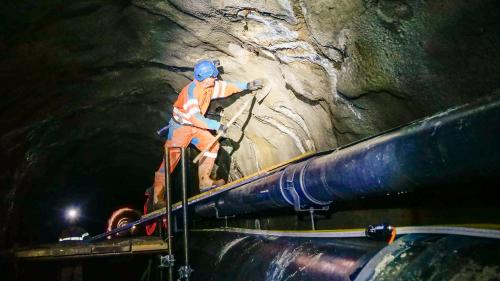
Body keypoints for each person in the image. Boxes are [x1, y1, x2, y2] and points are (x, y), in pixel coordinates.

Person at [151, 59, 263, 207]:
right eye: (212, 76)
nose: (215, 78)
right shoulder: (191, 93)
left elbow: (226, 87)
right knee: (170, 160)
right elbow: (195, 118)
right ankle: (157, 198)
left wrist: (246, 86)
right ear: (202, 78)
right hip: (180, 129)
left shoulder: (209, 86)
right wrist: (216, 125)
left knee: (211, 146)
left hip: (195, 127)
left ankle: (204, 182)